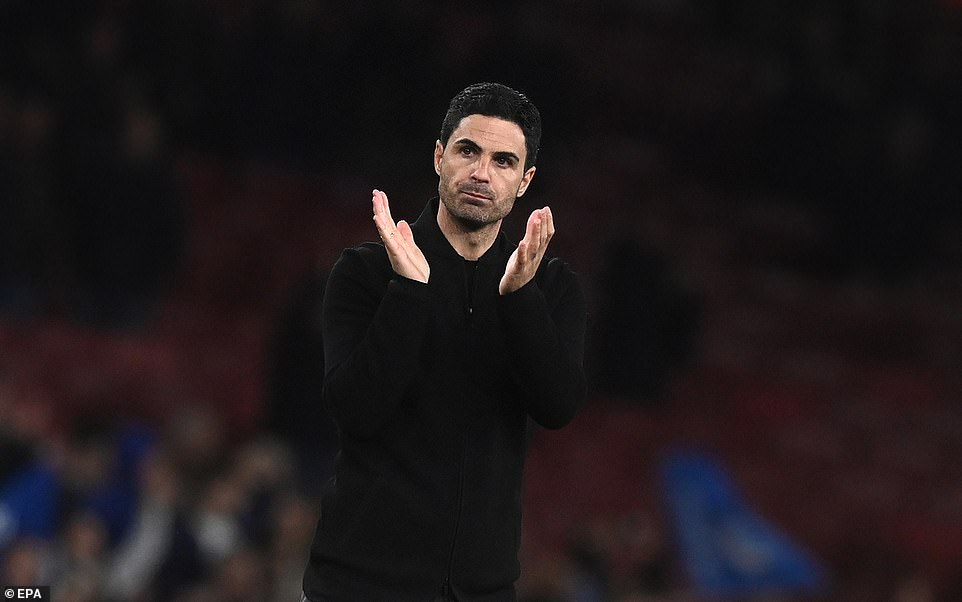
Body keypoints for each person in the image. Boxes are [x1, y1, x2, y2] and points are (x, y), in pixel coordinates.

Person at [302, 82, 587, 602]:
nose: (481, 173)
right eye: (467, 151)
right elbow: (354, 409)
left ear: (525, 182)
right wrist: (409, 291)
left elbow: (557, 405)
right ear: (439, 157)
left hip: (481, 591)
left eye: (503, 161)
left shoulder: (550, 286)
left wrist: (520, 298)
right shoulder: (366, 272)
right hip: (356, 586)